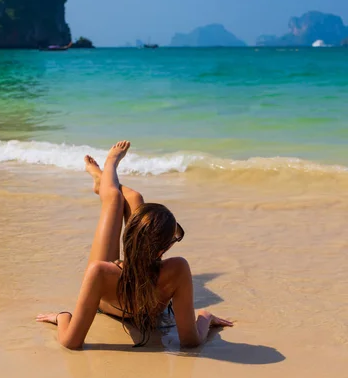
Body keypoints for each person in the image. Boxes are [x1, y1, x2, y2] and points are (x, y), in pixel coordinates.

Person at [36, 141, 233, 349]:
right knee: (133, 197)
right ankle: (103, 175)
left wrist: (63, 317)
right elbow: (190, 341)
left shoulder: (100, 272)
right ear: (161, 250)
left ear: (127, 232)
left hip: (109, 292)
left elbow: (71, 342)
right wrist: (205, 317)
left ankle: (106, 172)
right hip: (127, 281)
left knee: (115, 198)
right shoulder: (178, 269)